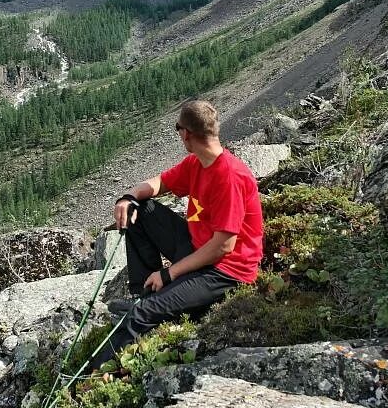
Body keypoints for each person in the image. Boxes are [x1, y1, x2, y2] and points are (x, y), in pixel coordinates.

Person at [91, 99, 263, 369]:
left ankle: (87, 380)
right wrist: (129, 197)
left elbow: (223, 247)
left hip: (226, 271)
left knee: (142, 315)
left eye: (177, 129)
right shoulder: (197, 163)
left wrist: (170, 273)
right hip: (198, 248)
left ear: (185, 133)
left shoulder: (229, 176)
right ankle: (144, 293)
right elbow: (159, 183)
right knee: (142, 208)